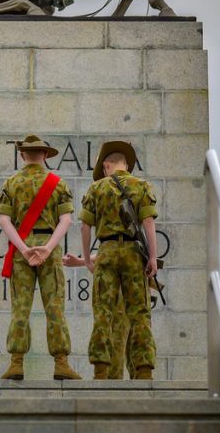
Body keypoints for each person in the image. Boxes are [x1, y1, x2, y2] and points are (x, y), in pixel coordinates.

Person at [0, 134, 81, 380]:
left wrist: (23, 249)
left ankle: (16, 364)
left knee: (20, 308)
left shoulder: (11, 183)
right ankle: (61, 364)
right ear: (45, 155)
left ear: (22, 155)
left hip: (22, 249)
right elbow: (66, 220)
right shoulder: (58, 183)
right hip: (49, 249)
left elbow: (4, 220)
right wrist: (47, 248)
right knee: (55, 307)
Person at [80, 140, 158, 380]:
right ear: (125, 164)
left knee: (103, 312)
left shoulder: (96, 189)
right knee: (140, 314)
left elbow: (84, 226)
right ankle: (143, 370)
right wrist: (153, 257)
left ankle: (101, 371)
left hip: (107, 251)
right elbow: (148, 223)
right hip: (134, 254)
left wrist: (86, 259)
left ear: (106, 166)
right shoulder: (141, 185)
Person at [63, 252, 131, 379]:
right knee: (118, 336)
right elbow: (110, 247)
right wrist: (83, 261)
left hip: (127, 280)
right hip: (127, 279)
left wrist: (82, 261)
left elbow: (111, 247)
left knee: (118, 336)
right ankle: (112, 381)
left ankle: (111, 381)